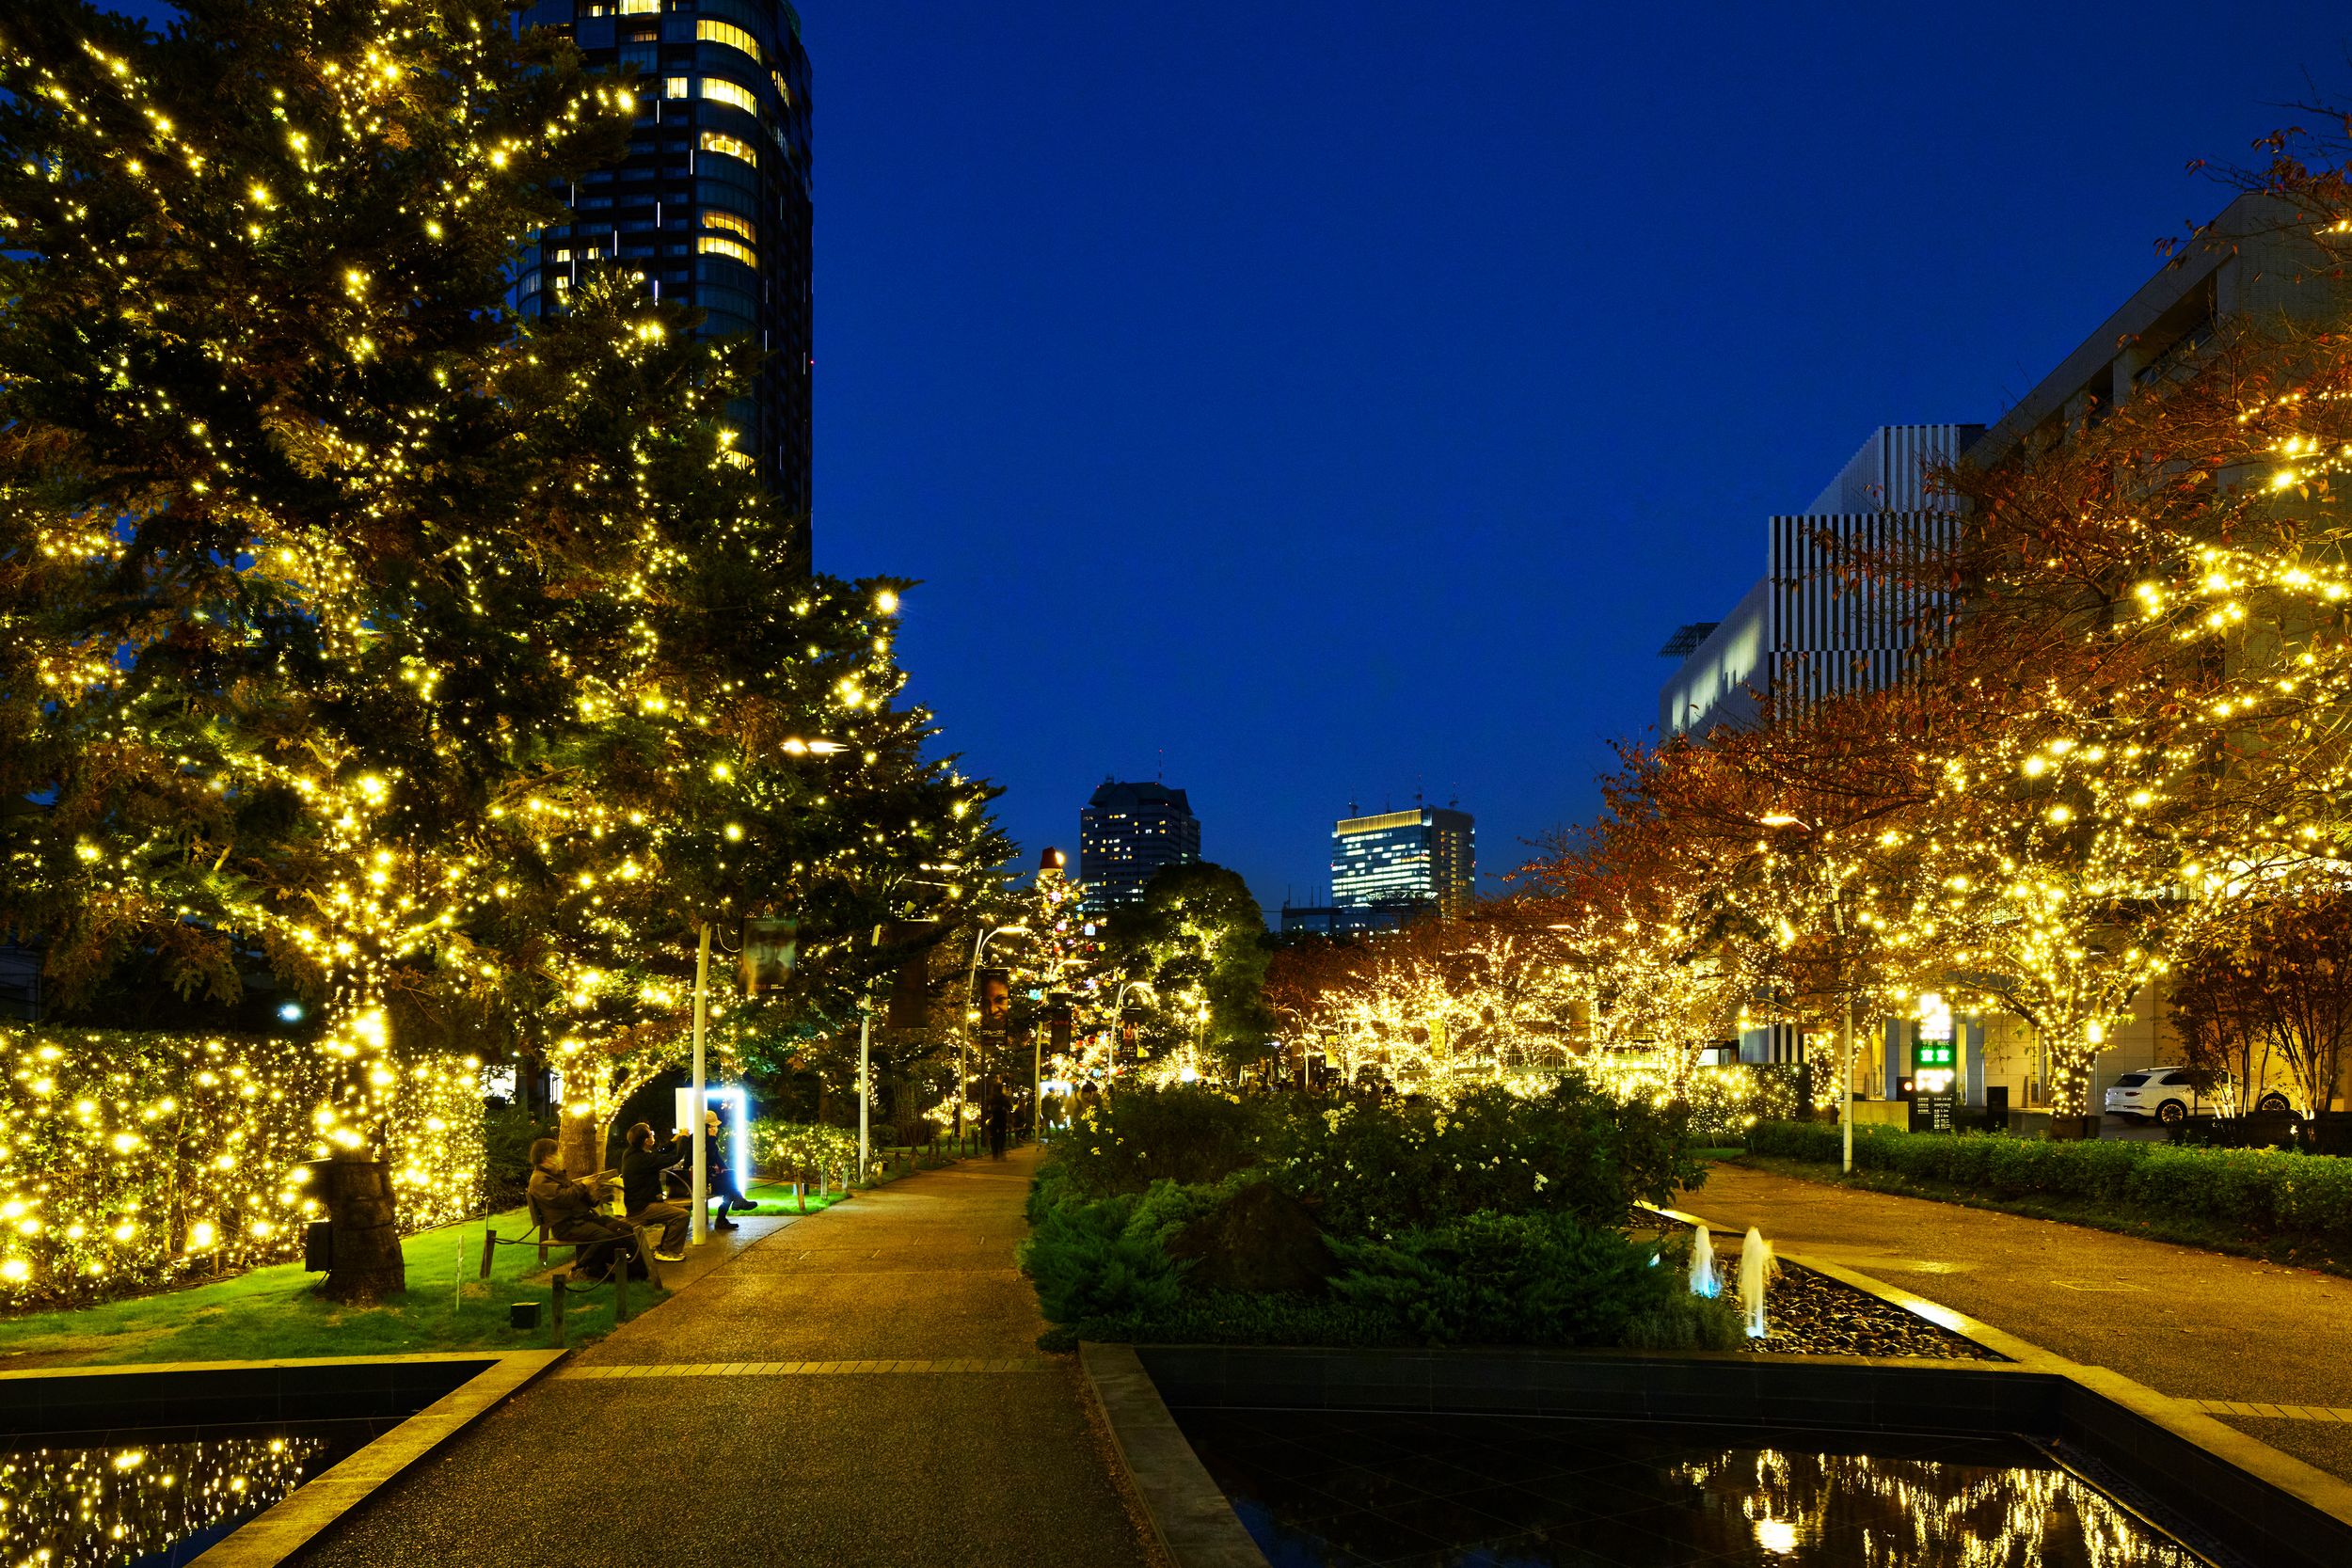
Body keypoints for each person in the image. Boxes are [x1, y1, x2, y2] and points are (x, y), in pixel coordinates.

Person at [526, 1138, 639, 1281]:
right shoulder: (540, 1180)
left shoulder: (554, 1174)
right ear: (546, 1157)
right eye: (557, 1152)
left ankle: (633, 1268)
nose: (560, 1155)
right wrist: (583, 1186)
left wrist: (589, 1193)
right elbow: (563, 1199)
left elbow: (572, 1194)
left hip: (581, 1219)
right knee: (607, 1236)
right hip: (567, 1226)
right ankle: (583, 1270)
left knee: (624, 1229)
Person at [620, 1122, 691, 1260]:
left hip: (637, 1204)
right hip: (642, 1208)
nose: (653, 1135)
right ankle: (667, 1251)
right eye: (651, 1134)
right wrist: (684, 1138)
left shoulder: (632, 1153)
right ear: (646, 1141)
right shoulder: (642, 1159)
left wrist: (673, 1141)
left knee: (677, 1214)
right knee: (681, 1215)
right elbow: (674, 1158)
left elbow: (658, 1153)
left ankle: (664, 1248)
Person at [983, 1076, 1009, 1160]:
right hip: (1002, 1118)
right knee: (1002, 1135)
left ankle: (995, 1153)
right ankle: (1001, 1151)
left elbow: (986, 1108)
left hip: (993, 1118)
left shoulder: (991, 1097)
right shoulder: (1003, 1097)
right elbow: (1009, 1107)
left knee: (993, 1136)